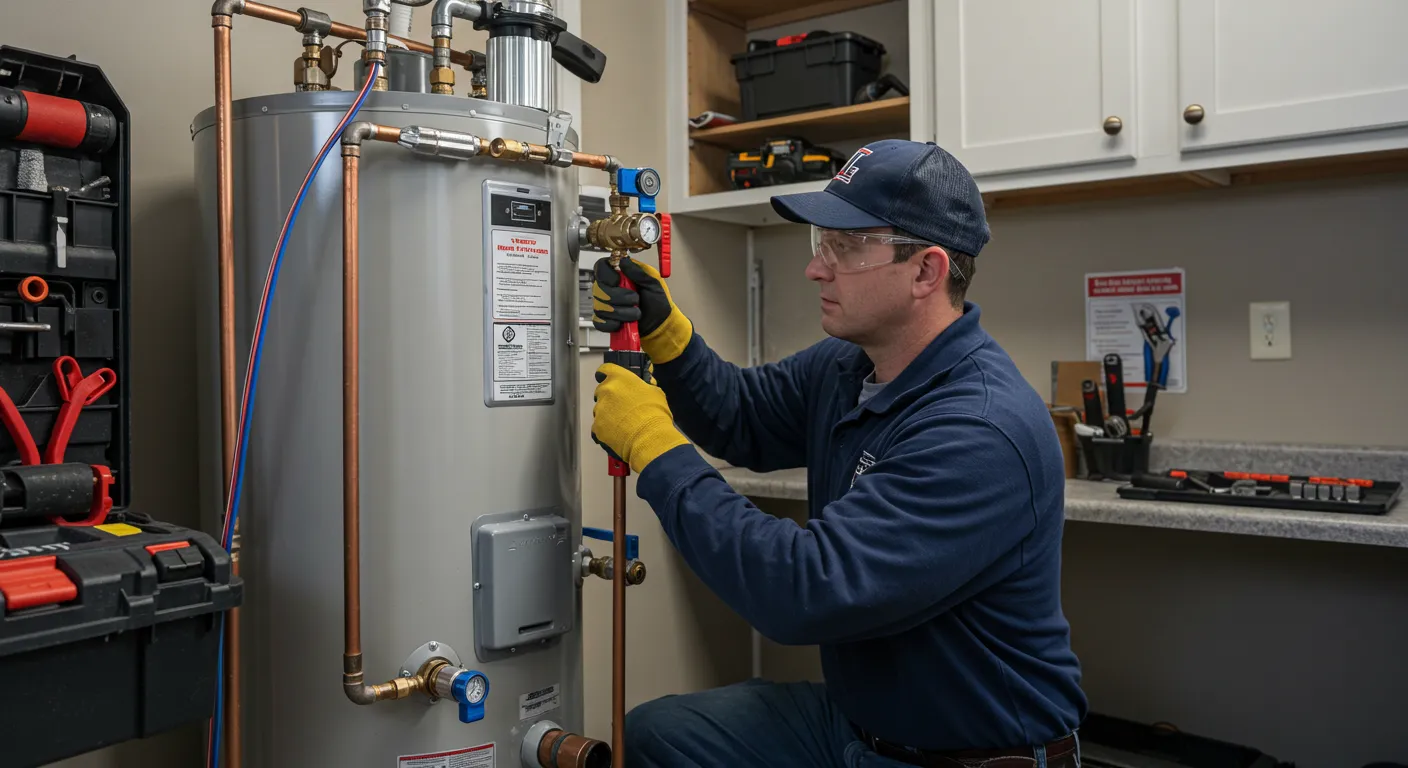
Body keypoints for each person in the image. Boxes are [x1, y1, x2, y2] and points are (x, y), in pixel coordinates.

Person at [589, 139, 1087, 768]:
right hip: (861, 721)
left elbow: (803, 588)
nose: (816, 268)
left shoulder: (978, 430)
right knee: (657, 736)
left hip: (965, 754)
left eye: (845, 248)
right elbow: (742, 415)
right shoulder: (852, 364)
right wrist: (669, 335)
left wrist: (655, 449)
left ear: (926, 271)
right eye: (820, 243)